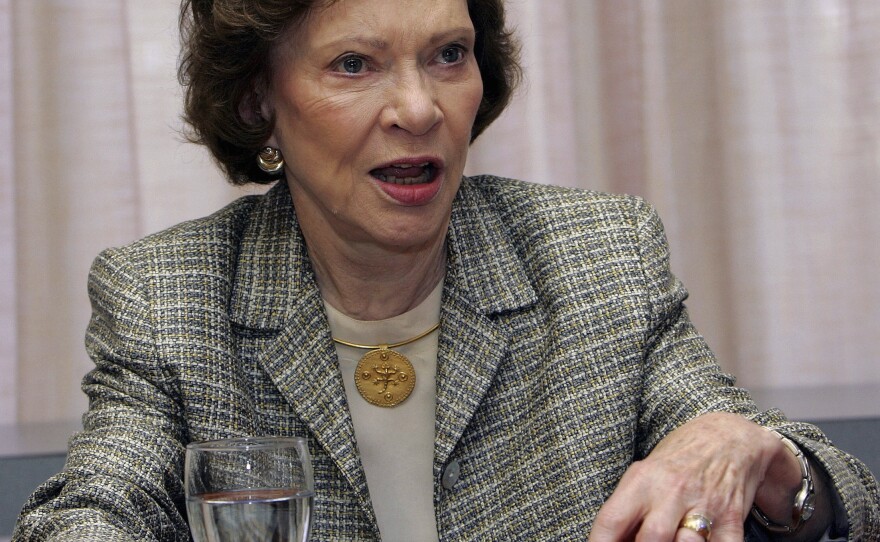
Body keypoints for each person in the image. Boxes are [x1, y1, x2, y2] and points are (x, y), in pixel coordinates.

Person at [13, 0, 880, 540]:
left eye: (448, 54)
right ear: (258, 102)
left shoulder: (598, 254)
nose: (421, 108)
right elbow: (99, 505)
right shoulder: (168, 295)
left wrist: (758, 457)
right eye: (355, 64)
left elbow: (838, 494)